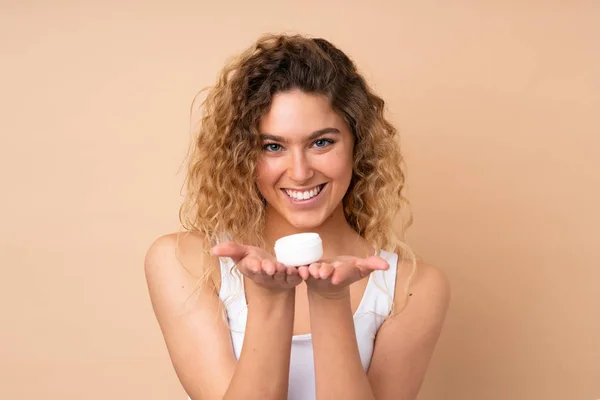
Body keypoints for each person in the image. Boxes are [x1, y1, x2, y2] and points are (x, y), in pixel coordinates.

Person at [144, 33, 451, 400]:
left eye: (321, 142)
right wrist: (271, 299)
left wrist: (331, 301)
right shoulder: (187, 263)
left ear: (358, 144)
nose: (301, 172)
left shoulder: (412, 287)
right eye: (273, 147)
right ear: (244, 155)